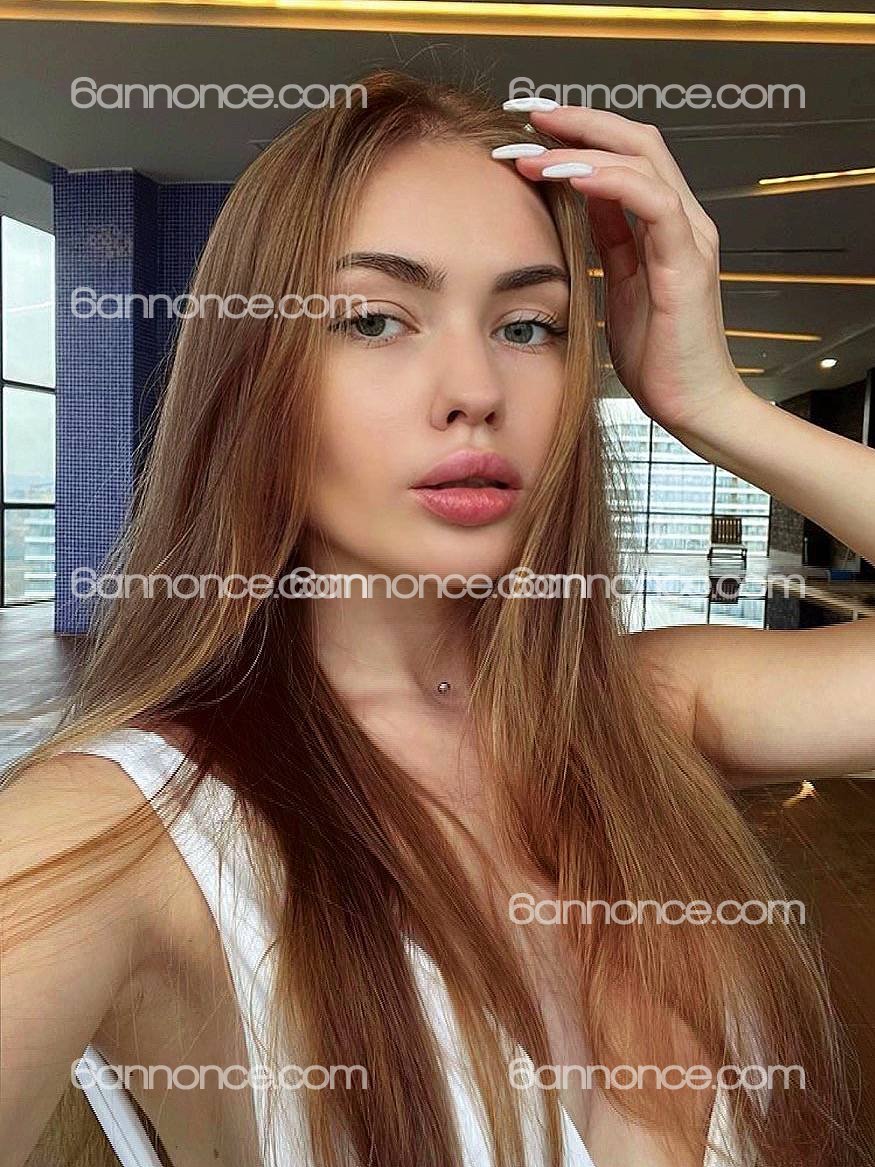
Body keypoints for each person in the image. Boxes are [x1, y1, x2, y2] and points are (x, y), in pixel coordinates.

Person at [2, 69, 873, 1167]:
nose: (475, 387)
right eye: (374, 318)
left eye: (527, 326)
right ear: (252, 373)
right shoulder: (114, 832)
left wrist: (715, 404)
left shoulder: (646, 714)